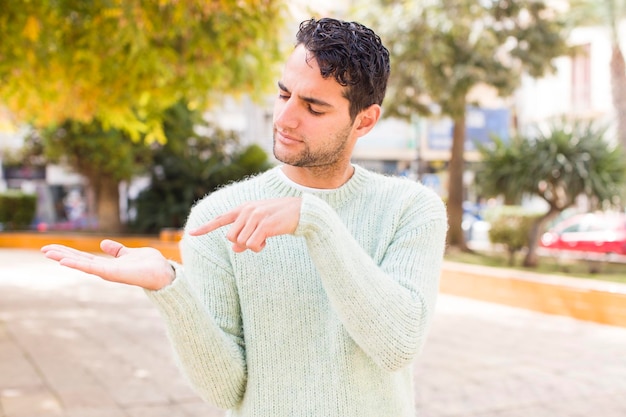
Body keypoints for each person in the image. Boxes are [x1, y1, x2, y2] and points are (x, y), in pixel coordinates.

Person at [42, 17, 448, 417]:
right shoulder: (219, 217)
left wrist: (316, 223)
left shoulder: (410, 209)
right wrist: (170, 289)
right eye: (284, 94)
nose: (286, 118)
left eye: (314, 108)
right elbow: (225, 390)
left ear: (365, 120)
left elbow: (397, 344)